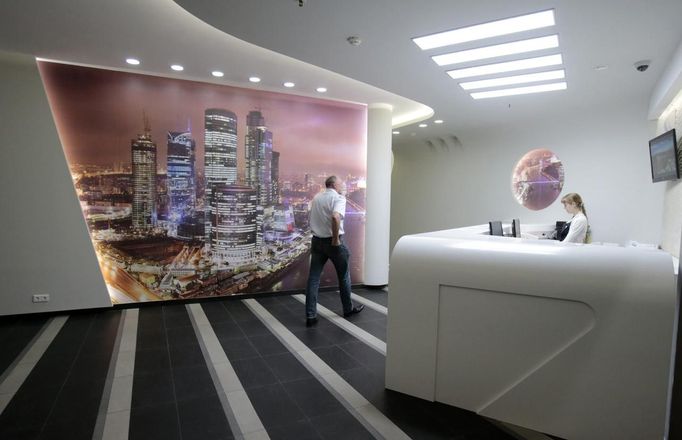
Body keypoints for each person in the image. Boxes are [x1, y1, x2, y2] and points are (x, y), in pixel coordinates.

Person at [305, 175, 364, 327]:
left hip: (316, 241)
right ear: (334, 185)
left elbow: (311, 217)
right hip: (333, 242)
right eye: (341, 183)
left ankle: (310, 316)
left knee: (313, 279)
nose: (343, 186)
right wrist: (336, 238)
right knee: (344, 276)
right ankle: (348, 309)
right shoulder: (338, 198)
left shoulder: (316, 198)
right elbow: (336, 217)